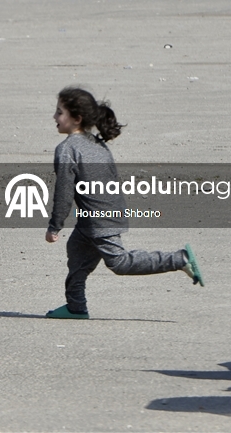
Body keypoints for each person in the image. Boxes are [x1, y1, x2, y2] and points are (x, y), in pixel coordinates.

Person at [45, 86, 203, 320]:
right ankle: (76, 307)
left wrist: (54, 226)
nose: (54, 117)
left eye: (59, 112)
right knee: (77, 251)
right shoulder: (96, 143)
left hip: (99, 220)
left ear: (76, 118)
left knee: (119, 262)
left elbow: (64, 192)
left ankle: (179, 259)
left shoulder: (67, 149)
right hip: (102, 215)